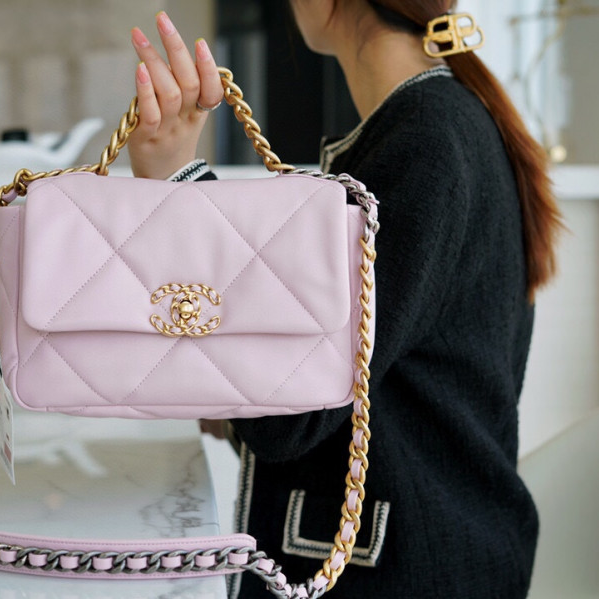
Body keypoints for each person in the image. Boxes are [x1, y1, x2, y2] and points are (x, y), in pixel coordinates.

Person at [128, 2, 563, 597]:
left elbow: (291, 413)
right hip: (433, 556)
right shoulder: (441, 124)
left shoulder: (426, 143)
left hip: (402, 575)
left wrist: (178, 183)